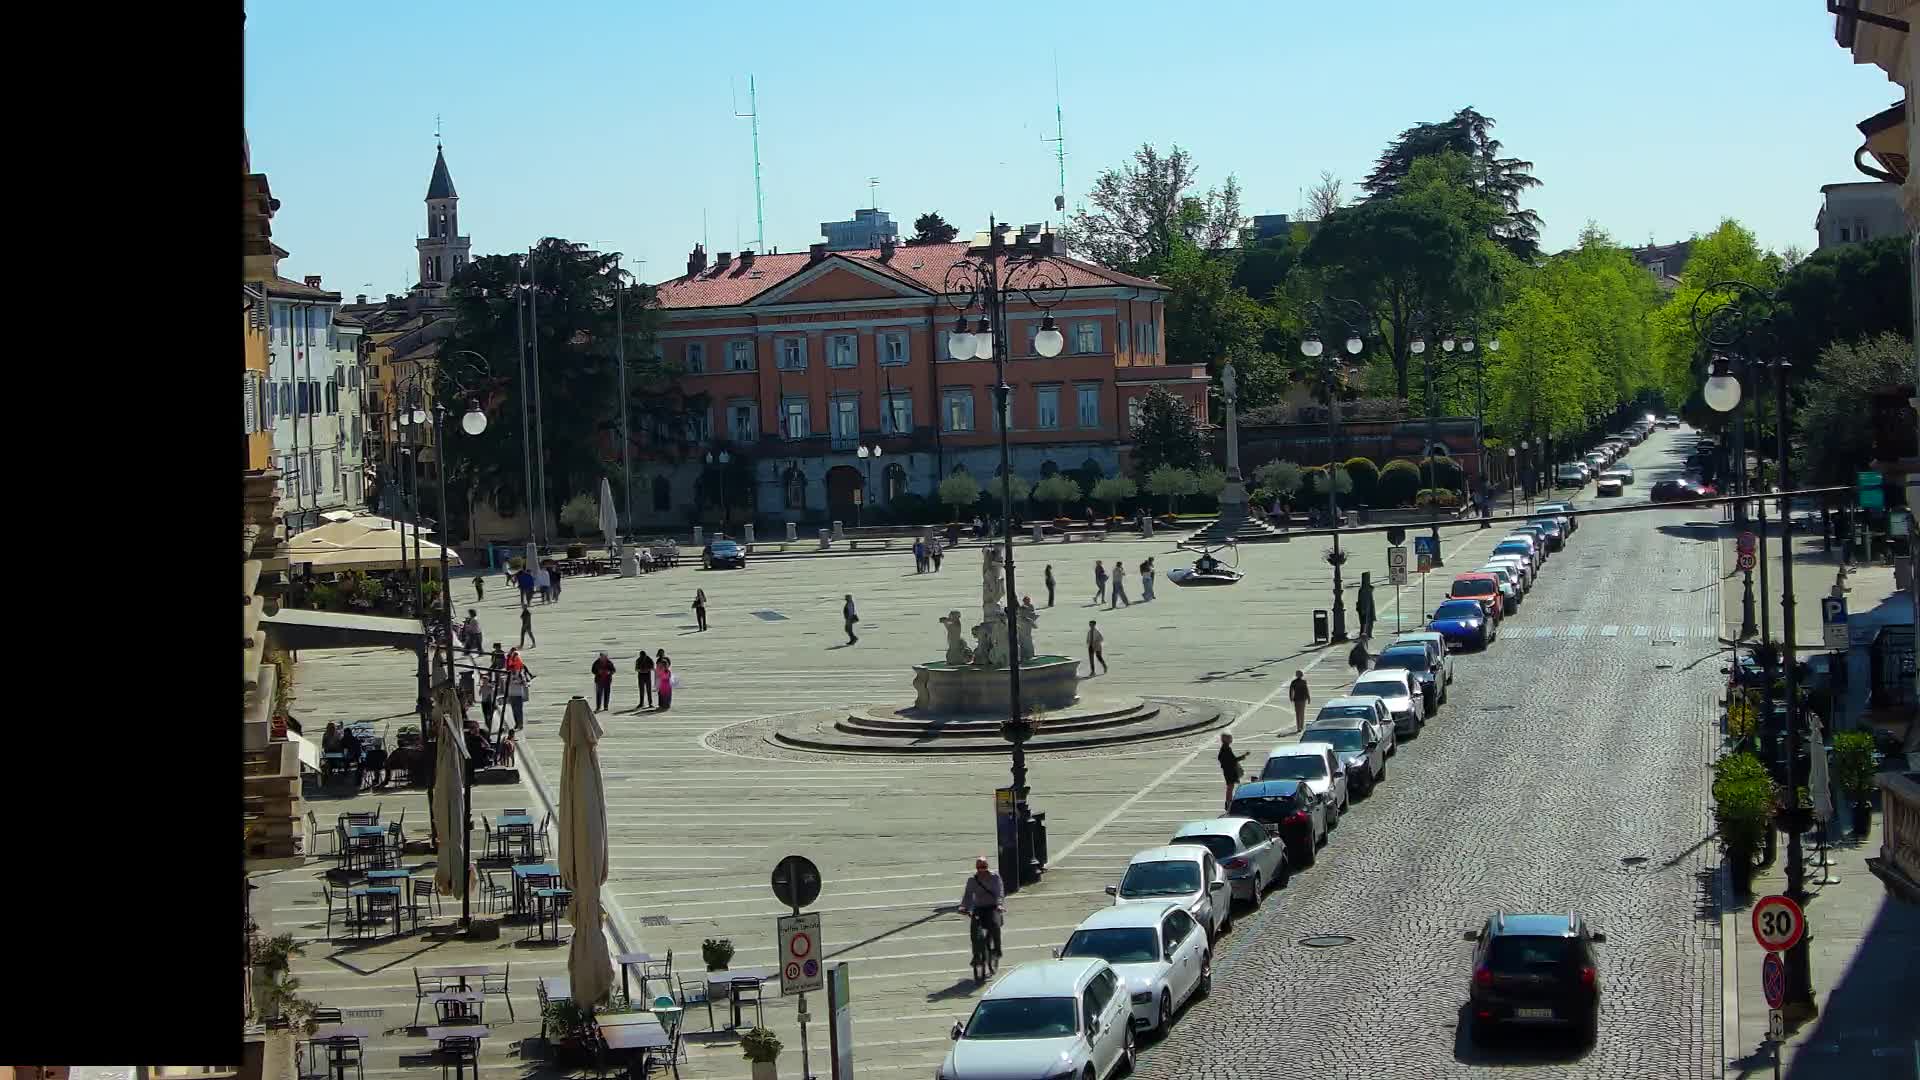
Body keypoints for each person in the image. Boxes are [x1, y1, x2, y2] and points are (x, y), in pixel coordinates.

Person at [958, 856, 1006, 961]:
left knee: (995, 925)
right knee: (974, 931)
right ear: (976, 868)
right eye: (980, 867)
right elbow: (968, 895)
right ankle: (976, 956)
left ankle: (997, 950)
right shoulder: (972, 880)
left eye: (984, 867)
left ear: (987, 866)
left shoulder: (995, 877)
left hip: (993, 906)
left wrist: (999, 905)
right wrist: (964, 906)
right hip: (979, 907)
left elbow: (999, 892)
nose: (982, 870)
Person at [1218, 732, 1249, 811]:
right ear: (1226, 739)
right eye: (1229, 738)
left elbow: (1223, 758)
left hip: (1228, 770)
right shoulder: (1226, 748)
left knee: (1230, 787)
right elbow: (1232, 760)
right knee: (1230, 787)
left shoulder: (1225, 747)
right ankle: (1228, 803)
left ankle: (1228, 802)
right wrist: (1242, 757)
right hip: (1229, 771)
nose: (1231, 739)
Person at [503, 661, 531, 729]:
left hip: (518, 695)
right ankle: (516, 723)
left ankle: (520, 724)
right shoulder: (508, 676)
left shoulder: (520, 675)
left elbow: (525, 683)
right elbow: (505, 685)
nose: (512, 670)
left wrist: (519, 682)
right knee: (514, 710)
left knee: (518, 710)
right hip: (511, 694)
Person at [1355, 572, 1377, 640]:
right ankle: (1365, 634)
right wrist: (1362, 609)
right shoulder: (1363, 589)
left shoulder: (1366, 589)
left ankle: (1368, 634)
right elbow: (1362, 600)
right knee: (1364, 623)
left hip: (1368, 608)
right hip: (1364, 608)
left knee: (1368, 622)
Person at [1288, 669, 1311, 734]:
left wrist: (1291, 698)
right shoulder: (1303, 682)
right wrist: (1308, 698)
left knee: (1298, 714)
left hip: (1297, 699)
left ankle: (1299, 727)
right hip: (1303, 699)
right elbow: (1306, 690)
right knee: (1302, 713)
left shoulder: (1294, 682)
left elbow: (1291, 690)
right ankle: (1301, 726)